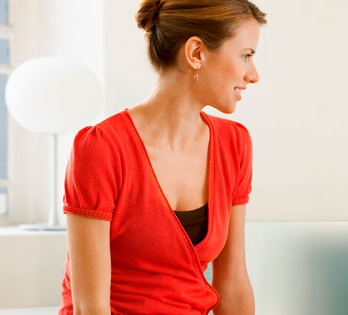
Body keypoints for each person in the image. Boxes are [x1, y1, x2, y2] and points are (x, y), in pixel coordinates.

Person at [58, 1, 266, 314]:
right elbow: (90, 307)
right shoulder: (101, 147)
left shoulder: (234, 143)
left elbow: (233, 284)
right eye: (246, 55)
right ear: (196, 53)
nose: (254, 75)